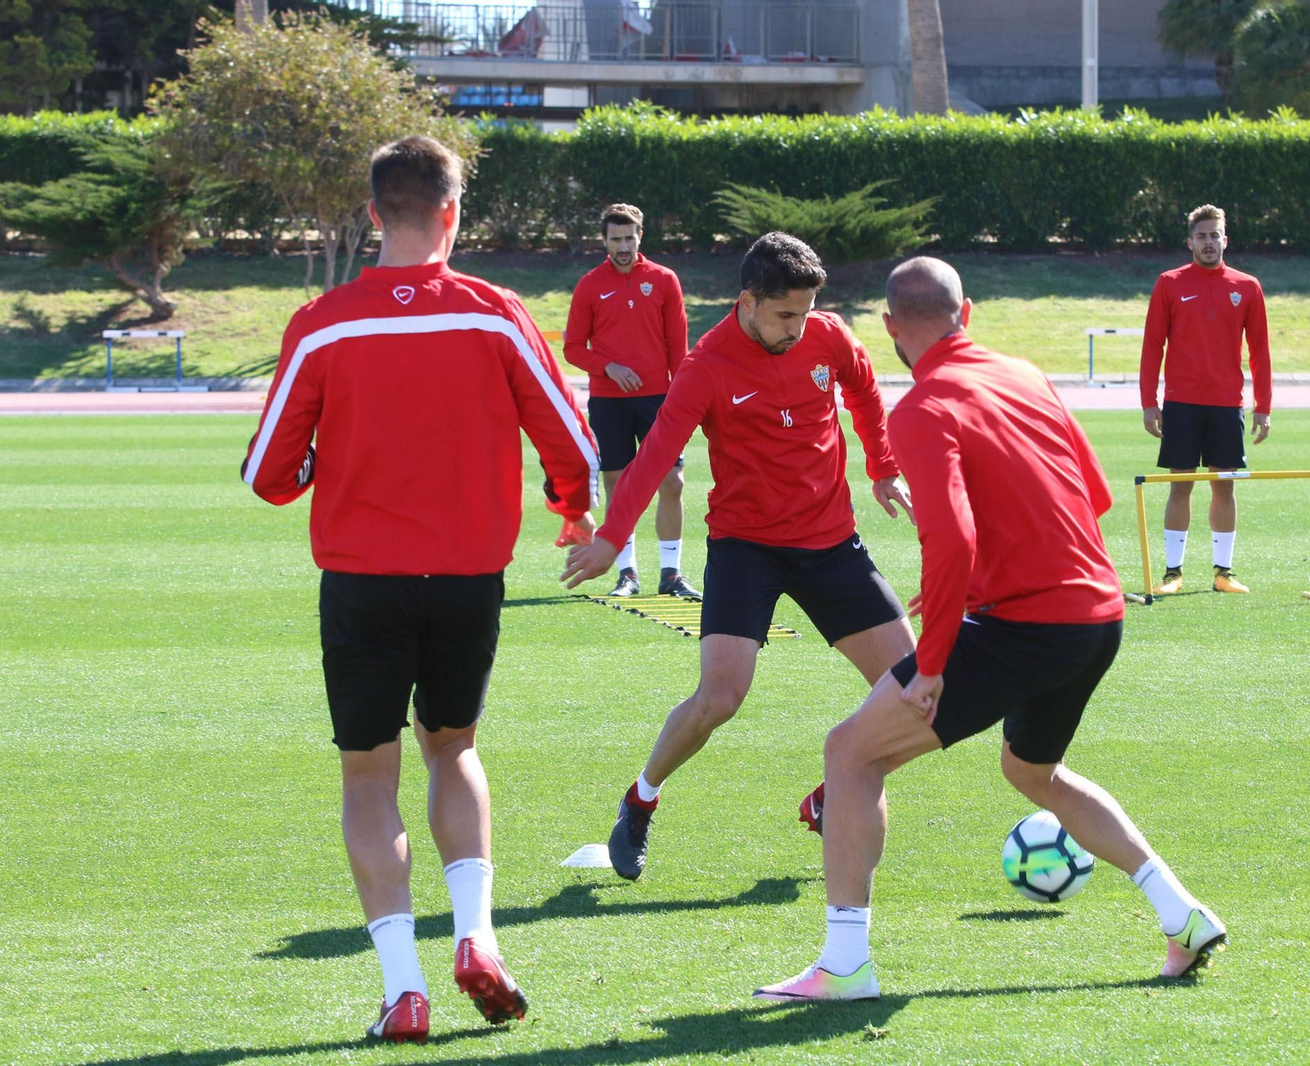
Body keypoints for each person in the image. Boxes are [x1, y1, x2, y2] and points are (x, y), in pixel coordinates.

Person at [756, 258, 1226, 1002]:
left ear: (889, 328)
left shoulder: (921, 408)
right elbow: (1093, 496)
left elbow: (953, 540)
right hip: (1098, 617)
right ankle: (1182, 914)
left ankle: (845, 966)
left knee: (850, 754)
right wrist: (984, 582)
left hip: (1027, 628)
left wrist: (932, 662)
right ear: (966, 311)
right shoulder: (1025, 374)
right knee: (1032, 773)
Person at [241, 135, 599, 1042]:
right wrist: (570, 508)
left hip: (363, 580)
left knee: (370, 774)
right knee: (454, 748)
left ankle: (404, 990)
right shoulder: (496, 313)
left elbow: (267, 473)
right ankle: (477, 937)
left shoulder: (324, 322)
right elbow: (572, 442)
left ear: (373, 214)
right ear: (453, 211)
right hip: (467, 577)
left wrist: (328, 462)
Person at [561, 232, 917, 882]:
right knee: (720, 698)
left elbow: (865, 390)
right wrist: (612, 536)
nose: (798, 327)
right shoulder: (707, 366)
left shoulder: (827, 336)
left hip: (830, 543)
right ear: (747, 301)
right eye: (785, 315)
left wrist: (884, 466)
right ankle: (641, 799)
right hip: (746, 548)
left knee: (917, 692)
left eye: (806, 312)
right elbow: (655, 454)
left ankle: (834, 790)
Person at [564, 202, 697, 599]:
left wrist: (681, 396)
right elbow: (573, 348)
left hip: (658, 400)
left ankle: (671, 574)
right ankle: (627, 574)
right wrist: (608, 367)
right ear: (604, 241)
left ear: (640, 237)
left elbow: (678, 346)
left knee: (671, 481)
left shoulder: (664, 279)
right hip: (609, 401)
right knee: (618, 484)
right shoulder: (589, 285)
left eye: (629, 238)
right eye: (615, 239)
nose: (623, 246)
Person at [1139, 203, 1273, 596]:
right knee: (1180, 486)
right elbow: (1152, 346)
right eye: (1201, 236)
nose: (1208, 242)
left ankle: (1223, 572)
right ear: (1190, 242)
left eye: (1214, 235)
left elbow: (1260, 352)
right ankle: (1172, 573)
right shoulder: (1169, 283)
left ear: (1225, 240)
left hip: (1227, 403)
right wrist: (1149, 401)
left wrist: (1263, 406)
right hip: (1181, 403)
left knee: (1224, 487)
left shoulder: (1247, 286)